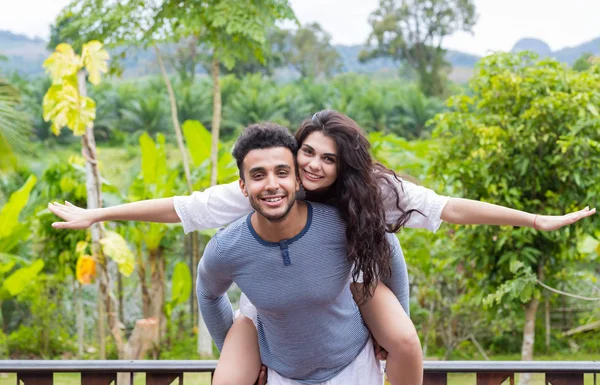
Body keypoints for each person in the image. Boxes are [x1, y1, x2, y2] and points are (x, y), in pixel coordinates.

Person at [48, 110, 596, 385]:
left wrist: (532, 220)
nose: (311, 167)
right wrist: (99, 213)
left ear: (344, 165)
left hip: (347, 285)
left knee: (403, 340)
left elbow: (445, 211)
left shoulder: (367, 197)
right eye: (306, 152)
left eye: (325, 159)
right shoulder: (264, 190)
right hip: (270, 297)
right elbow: (179, 209)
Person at [198, 122, 394, 384]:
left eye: (282, 172)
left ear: (297, 179)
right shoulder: (227, 247)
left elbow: (391, 255)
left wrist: (389, 335)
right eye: (258, 176)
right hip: (282, 374)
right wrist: (234, 355)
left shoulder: (341, 223)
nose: (271, 185)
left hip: (354, 366)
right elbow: (207, 294)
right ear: (243, 187)